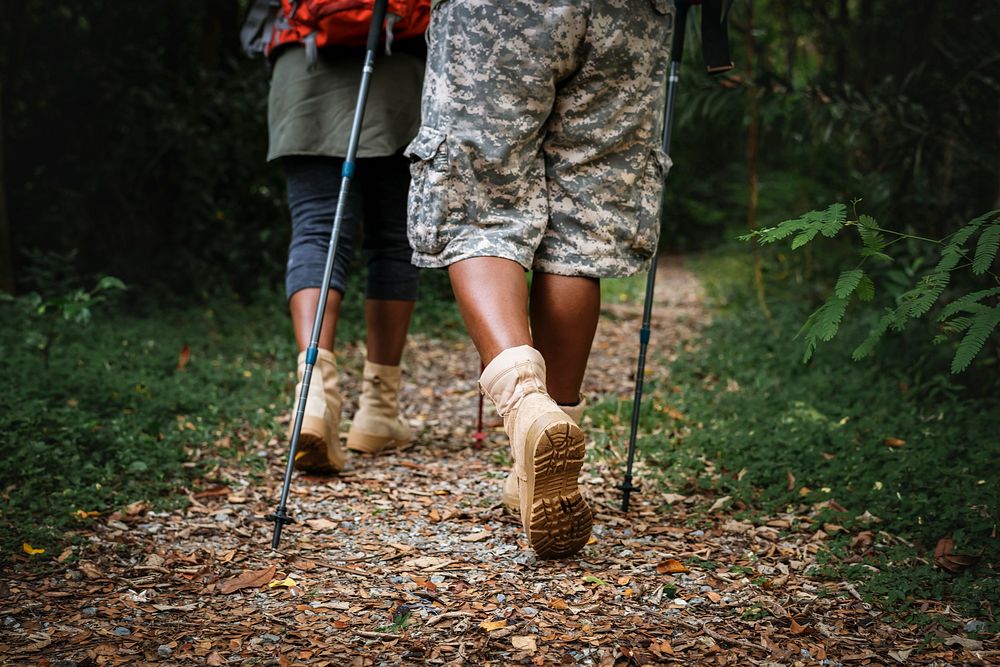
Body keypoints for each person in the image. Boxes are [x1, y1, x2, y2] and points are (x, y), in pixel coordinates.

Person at [405, 0, 674, 558]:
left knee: (481, 208)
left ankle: (528, 405)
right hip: (629, 16)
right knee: (580, 228)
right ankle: (534, 466)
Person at [266, 12, 427, 472]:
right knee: (394, 243)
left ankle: (314, 395)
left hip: (306, 70)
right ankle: (377, 412)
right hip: (400, 76)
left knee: (317, 230)